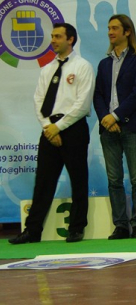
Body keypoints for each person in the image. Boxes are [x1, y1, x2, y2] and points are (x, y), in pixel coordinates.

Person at [9, 23, 95, 244]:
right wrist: (49, 126)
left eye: (58, 36)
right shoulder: (47, 69)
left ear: (70, 39)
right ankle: (32, 230)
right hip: (49, 129)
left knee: (78, 180)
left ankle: (76, 228)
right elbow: (38, 100)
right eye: (53, 36)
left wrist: (60, 126)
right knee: (43, 182)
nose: (53, 40)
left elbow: (83, 104)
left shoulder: (83, 66)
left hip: (73, 127)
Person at [93, 14, 136, 239]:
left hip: (132, 126)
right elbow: (98, 95)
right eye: (109, 28)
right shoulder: (104, 63)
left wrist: (115, 116)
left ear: (127, 32)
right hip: (108, 128)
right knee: (114, 180)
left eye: (115, 28)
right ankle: (120, 225)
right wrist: (105, 118)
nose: (110, 32)